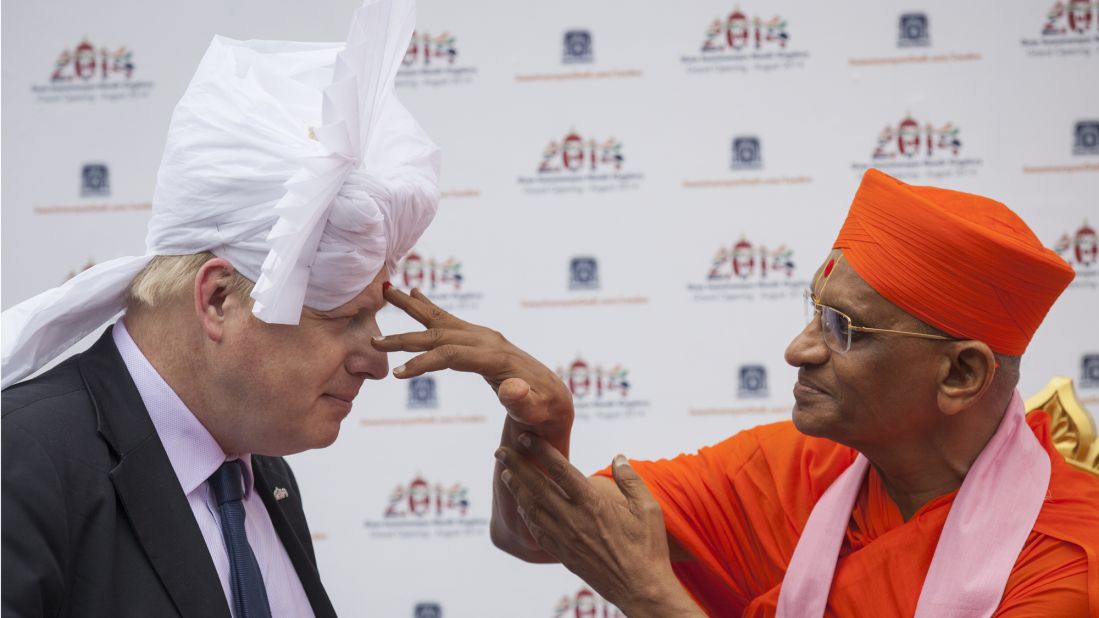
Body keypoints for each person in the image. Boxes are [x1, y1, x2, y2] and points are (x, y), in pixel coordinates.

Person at [373, 169, 1099, 617]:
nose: (798, 348)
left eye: (843, 328)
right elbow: (531, 536)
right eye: (813, 309)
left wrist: (651, 599)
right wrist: (538, 426)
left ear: (960, 375)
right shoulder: (792, 470)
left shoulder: (1070, 561)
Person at [1, 1, 439, 616]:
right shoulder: (21, 462)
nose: (375, 362)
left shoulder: (264, 475)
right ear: (217, 299)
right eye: (342, 318)